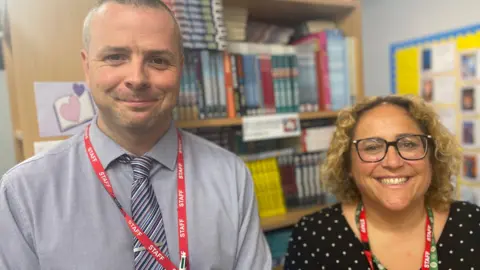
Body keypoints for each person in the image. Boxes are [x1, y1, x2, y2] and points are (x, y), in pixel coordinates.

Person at [0, 0, 272, 269]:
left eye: (158, 60)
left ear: (180, 67)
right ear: (86, 66)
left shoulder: (230, 176)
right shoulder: (24, 192)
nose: (137, 78)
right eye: (115, 57)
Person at [284, 95, 480, 269]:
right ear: (347, 165)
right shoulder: (313, 237)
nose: (393, 162)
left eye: (408, 144)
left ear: (432, 157)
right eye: (372, 148)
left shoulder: (473, 224)